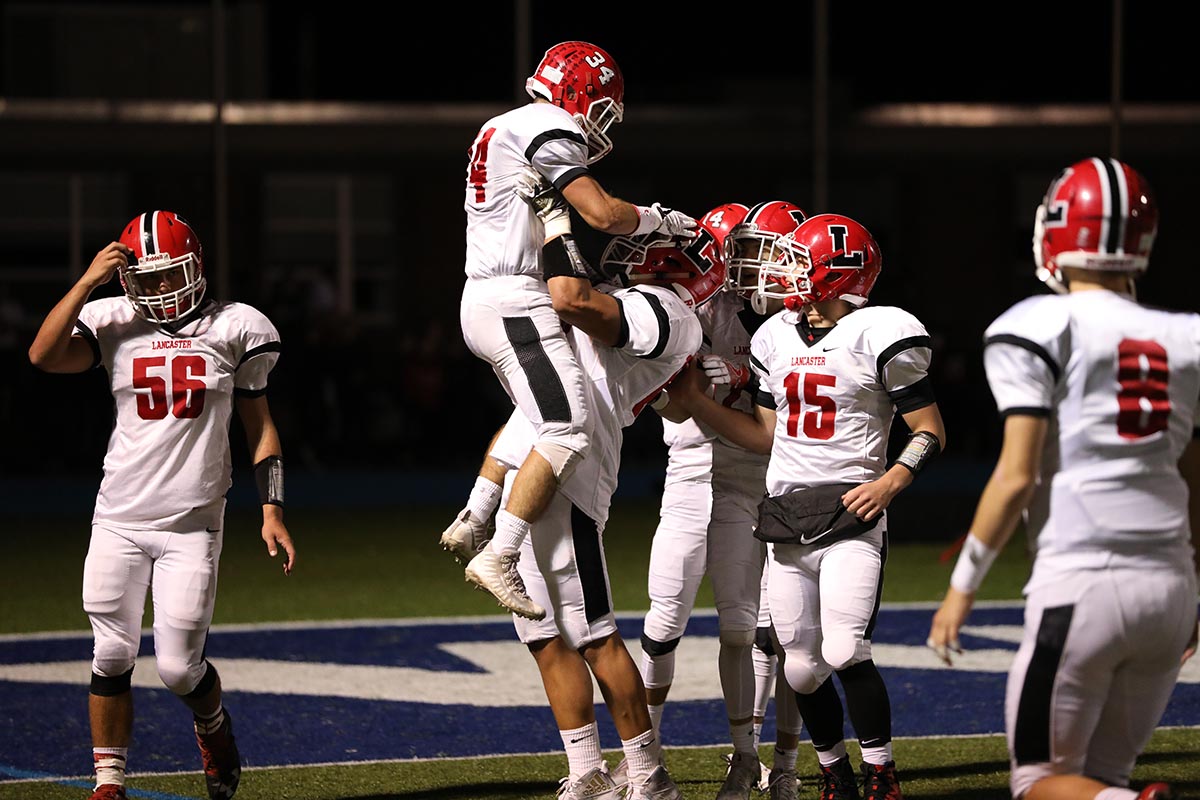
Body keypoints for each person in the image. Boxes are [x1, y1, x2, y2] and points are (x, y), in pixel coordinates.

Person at [926, 157, 1199, 800]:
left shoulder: (1036, 324)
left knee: (1038, 782)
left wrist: (962, 587)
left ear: (1055, 232)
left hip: (1082, 581)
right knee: (1099, 781)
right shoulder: (1187, 336)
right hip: (1171, 587)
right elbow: (1195, 482)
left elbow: (1017, 475)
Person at [668, 208, 947, 800]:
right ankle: (834, 773)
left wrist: (892, 480)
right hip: (787, 513)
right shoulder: (774, 336)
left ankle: (881, 773)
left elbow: (929, 430)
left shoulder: (881, 331)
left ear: (842, 275)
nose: (788, 278)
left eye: (802, 265)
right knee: (798, 665)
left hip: (852, 513)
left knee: (845, 648)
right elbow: (764, 436)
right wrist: (697, 401)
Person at [27, 211, 295, 800]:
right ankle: (109, 782)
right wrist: (85, 283)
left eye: (165, 276)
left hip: (193, 522)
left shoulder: (236, 328)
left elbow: (261, 426)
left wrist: (271, 508)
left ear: (195, 268)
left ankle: (213, 727)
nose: (155, 291)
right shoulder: (113, 319)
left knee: (178, 668)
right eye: (142, 281)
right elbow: (43, 355)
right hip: (119, 515)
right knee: (112, 650)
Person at [473, 183, 710, 799]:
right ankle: (587, 771)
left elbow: (573, 301)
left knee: (594, 633)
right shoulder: (634, 298)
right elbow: (535, 400)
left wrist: (557, 221)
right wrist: (487, 486)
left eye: (650, 247)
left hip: (574, 476)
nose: (632, 251)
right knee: (544, 638)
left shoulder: (671, 314)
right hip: (537, 465)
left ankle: (650, 774)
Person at [453, 40, 697, 621]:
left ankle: (473, 517)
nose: (601, 123)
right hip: (514, 296)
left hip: (489, 293)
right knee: (568, 428)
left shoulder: (501, 126)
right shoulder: (549, 124)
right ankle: (499, 552)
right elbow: (603, 214)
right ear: (579, 93)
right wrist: (660, 219)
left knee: (540, 417)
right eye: (601, 106)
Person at [621, 201, 800, 800]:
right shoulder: (695, 308)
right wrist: (686, 382)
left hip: (772, 477)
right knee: (664, 619)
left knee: (770, 629)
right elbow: (670, 404)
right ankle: (645, 754)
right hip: (696, 470)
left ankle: (773, 760)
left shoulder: (797, 322)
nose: (753, 268)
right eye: (745, 255)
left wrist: (742, 381)